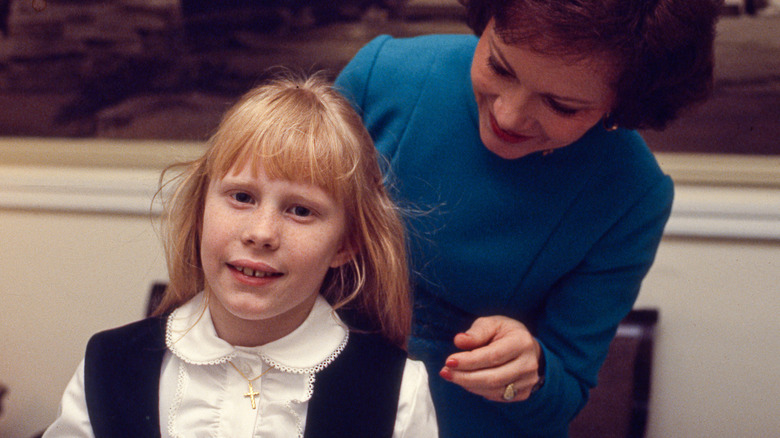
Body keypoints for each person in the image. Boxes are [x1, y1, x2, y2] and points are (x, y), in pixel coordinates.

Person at [335, 0, 722, 436]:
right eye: (499, 68)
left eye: (562, 105)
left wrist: (530, 369)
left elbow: (564, 395)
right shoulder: (382, 74)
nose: (508, 115)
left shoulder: (633, 194)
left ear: (622, 107)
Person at [42, 74, 438, 438]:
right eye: (242, 197)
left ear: (344, 244)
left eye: (300, 210)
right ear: (200, 210)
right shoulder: (108, 367)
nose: (261, 234)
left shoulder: (396, 393)